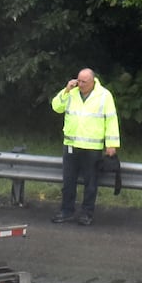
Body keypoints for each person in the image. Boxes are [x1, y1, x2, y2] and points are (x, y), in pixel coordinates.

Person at [50, 67, 120, 226]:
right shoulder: (71, 93)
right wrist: (65, 91)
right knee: (68, 182)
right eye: (78, 80)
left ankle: (86, 214)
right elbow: (56, 107)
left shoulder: (104, 95)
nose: (80, 84)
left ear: (92, 81)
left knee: (91, 183)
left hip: (92, 147)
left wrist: (111, 144)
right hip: (71, 144)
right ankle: (66, 211)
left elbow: (111, 120)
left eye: (84, 82)